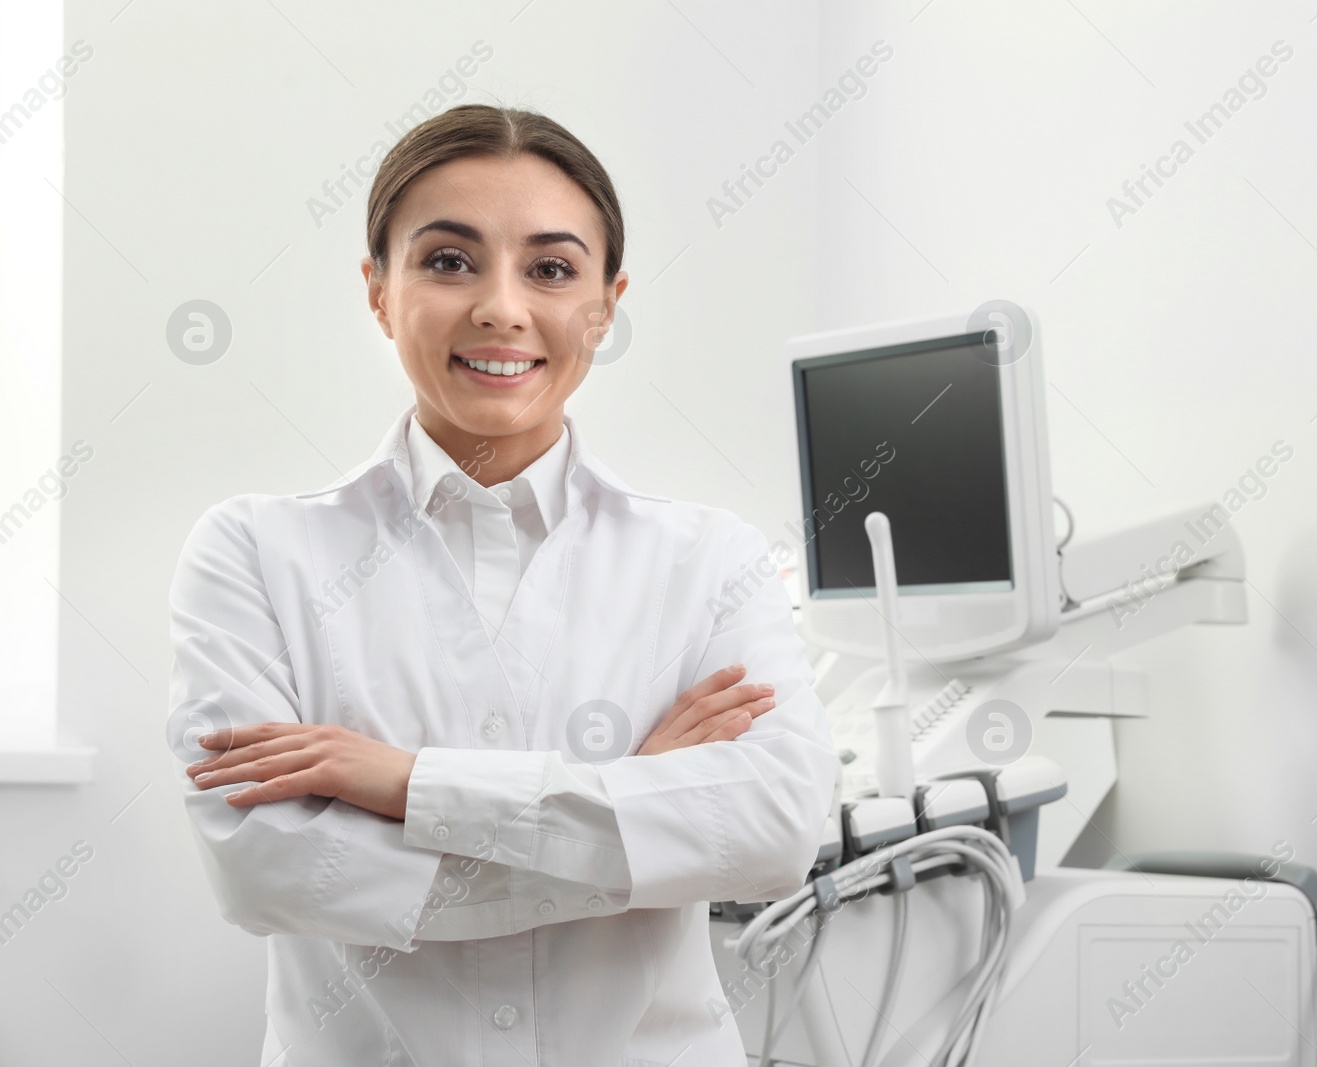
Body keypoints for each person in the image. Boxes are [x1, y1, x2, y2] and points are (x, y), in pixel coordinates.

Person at [167, 104, 836, 1066]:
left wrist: (409, 784)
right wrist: (641, 814)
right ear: (378, 290)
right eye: (448, 260)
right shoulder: (254, 552)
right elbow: (270, 873)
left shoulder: (712, 561)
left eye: (552, 269)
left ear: (606, 303)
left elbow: (773, 833)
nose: (501, 307)